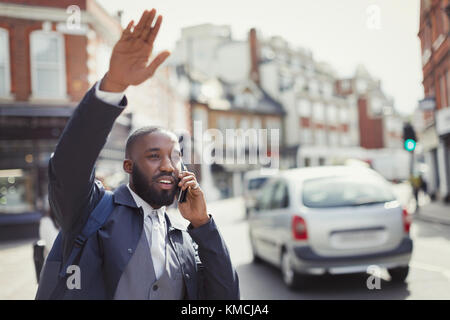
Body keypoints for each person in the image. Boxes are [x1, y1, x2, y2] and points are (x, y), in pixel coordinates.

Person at [35, 9, 239, 300]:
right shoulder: (90, 212)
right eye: (154, 156)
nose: (169, 166)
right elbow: (69, 165)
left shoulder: (183, 238)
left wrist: (203, 225)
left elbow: (227, 299)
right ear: (129, 166)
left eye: (176, 156)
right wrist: (113, 86)